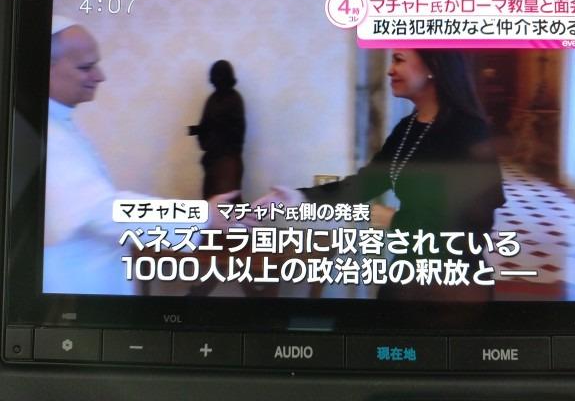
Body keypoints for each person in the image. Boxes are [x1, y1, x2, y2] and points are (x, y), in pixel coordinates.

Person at [254, 49, 505, 302]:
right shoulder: (406, 128)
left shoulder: (469, 131)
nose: (389, 70)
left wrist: (396, 221)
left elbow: (474, 223)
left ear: (433, 66)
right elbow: (364, 184)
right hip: (408, 270)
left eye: (399, 60)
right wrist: (299, 198)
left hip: (455, 283)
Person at [45, 16, 241, 296]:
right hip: (72, 293)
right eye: (86, 67)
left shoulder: (57, 123)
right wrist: (203, 215)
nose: (100, 76)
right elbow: (103, 210)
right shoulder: (47, 136)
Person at [190, 60, 245, 201]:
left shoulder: (235, 99)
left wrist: (214, 132)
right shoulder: (212, 99)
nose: (215, 81)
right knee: (211, 203)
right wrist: (198, 132)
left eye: (218, 76)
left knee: (227, 203)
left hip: (228, 159)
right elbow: (205, 124)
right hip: (212, 159)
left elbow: (236, 131)